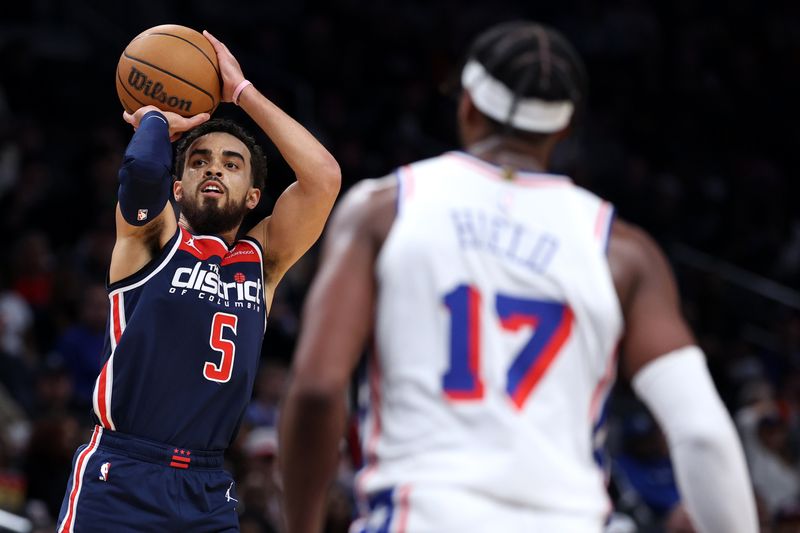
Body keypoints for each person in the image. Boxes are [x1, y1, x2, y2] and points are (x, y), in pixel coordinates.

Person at [279, 20, 757, 533]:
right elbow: (704, 435)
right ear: (564, 129)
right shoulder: (621, 250)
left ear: (467, 104)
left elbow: (317, 390)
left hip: (422, 514)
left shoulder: (386, 209)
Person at [57, 29, 340, 532]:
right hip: (121, 471)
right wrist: (155, 120)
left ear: (254, 195)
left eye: (232, 165)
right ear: (178, 185)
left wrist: (241, 93)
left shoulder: (263, 261)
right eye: (199, 161)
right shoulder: (151, 239)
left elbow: (322, 177)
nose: (215, 169)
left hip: (208, 488)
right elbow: (142, 168)